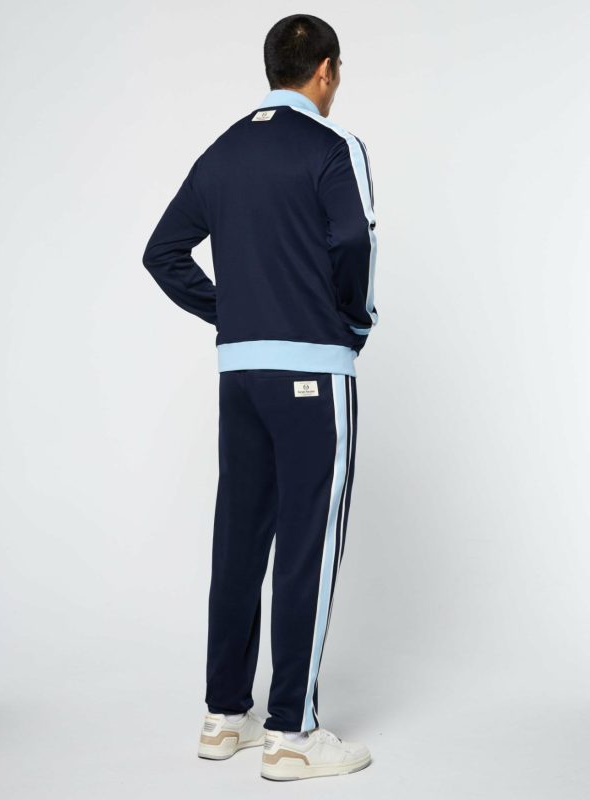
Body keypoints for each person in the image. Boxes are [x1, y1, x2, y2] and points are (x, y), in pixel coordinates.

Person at [142, 13, 378, 781]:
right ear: (326, 71)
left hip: (240, 373)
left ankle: (223, 718)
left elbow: (162, 252)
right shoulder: (333, 147)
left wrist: (234, 314)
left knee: (240, 539)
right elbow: (355, 241)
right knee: (307, 542)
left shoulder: (223, 150)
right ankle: (292, 735)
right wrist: (352, 322)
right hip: (312, 370)